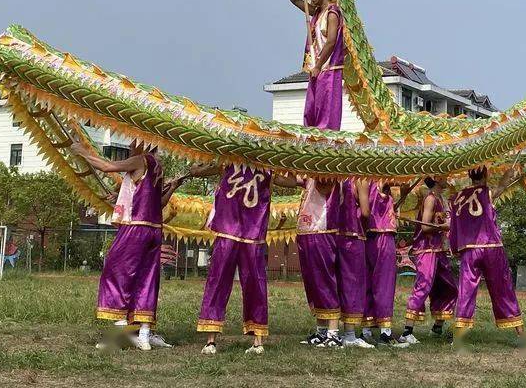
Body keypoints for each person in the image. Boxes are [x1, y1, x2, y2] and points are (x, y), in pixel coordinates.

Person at [72, 139, 179, 351]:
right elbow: (156, 202)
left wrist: (82, 151)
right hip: (153, 229)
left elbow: (106, 166)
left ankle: (120, 329)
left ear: (143, 143)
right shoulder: (158, 166)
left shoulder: (140, 160)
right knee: (146, 280)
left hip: (136, 229)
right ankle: (144, 335)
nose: (130, 145)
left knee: (116, 272)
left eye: (134, 142)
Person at [185, 161, 298, 355]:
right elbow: (198, 170)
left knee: (251, 284)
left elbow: (291, 181)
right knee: (220, 281)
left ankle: (256, 340)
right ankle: (213, 339)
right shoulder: (228, 161)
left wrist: (286, 162)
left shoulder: (264, 166)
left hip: (250, 235)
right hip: (231, 232)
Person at [450, 166, 526, 346]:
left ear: (469, 175)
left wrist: (455, 247)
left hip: (469, 249)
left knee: (466, 290)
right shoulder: (488, 192)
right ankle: (521, 334)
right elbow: (503, 186)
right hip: (491, 246)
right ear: (485, 174)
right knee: (503, 288)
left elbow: (453, 226)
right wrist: (509, 174)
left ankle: (458, 338)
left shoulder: (458, 198)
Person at [399, 177, 458, 345]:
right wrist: (443, 227)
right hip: (427, 250)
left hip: (439, 249)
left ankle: (437, 327)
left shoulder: (442, 199)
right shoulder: (431, 199)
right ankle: (407, 331)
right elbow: (425, 227)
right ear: (437, 179)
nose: (448, 178)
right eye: (444, 176)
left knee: (449, 288)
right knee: (423, 286)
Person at [290, 0, 345, 130]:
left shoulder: (332, 12)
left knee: (326, 114)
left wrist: (319, 66)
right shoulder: (316, 12)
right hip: (317, 69)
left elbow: (331, 42)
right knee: (312, 110)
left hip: (328, 69)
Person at [296, 177, 343, 348]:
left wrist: (309, 168)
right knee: (314, 285)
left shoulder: (327, 169)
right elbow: (285, 180)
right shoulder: (308, 175)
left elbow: (324, 187)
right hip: (305, 233)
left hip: (321, 231)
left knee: (325, 281)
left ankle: (333, 333)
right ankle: (321, 331)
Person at [361, 181, 408, 348]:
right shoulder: (379, 179)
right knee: (384, 284)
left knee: (368, 283)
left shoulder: (361, 180)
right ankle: (384, 333)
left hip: (367, 237)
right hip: (383, 236)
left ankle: (366, 330)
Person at [335, 178, 374, 348]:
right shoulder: (360, 180)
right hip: (353, 236)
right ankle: (349, 334)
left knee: (336, 284)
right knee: (352, 285)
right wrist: (363, 227)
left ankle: (330, 331)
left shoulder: (334, 177)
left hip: (334, 236)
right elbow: (365, 212)